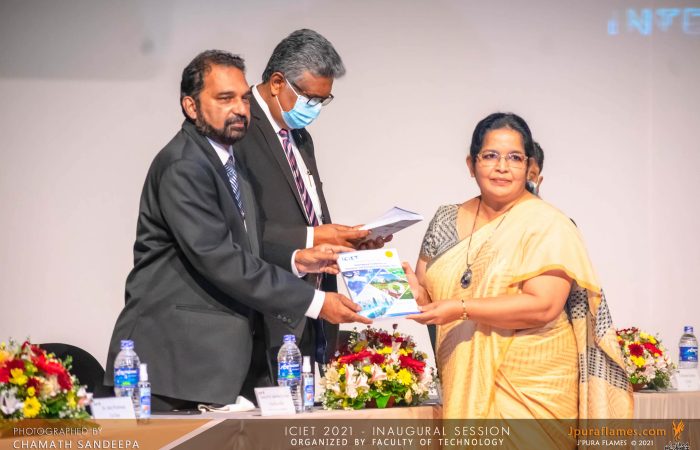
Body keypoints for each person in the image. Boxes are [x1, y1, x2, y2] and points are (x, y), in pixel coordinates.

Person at [104, 50, 370, 411]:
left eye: (244, 98)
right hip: (177, 364)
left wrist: (298, 259)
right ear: (191, 106)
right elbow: (220, 259)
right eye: (225, 98)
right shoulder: (184, 166)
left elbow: (245, 243)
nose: (240, 109)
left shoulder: (229, 162)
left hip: (218, 365)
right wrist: (317, 302)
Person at [405, 112, 632, 439]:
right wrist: (414, 294)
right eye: (490, 156)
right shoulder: (445, 219)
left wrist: (461, 308)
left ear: (529, 166)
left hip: (532, 391)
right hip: (462, 381)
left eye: (514, 158)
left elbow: (543, 306)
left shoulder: (548, 223)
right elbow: (431, 297)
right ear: (471, 164)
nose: (502, 167)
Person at [237, 29, 388, 380]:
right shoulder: (239, 128)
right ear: (278, 82)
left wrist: (346, 242)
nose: (315, 109)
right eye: (310, 98)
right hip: (261, 315)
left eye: (324, 100)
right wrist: (313, 238)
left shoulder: (300, 136)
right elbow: (239, 228)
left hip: (310, 313)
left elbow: (310, 213)